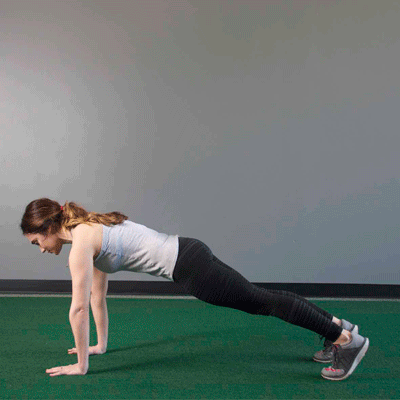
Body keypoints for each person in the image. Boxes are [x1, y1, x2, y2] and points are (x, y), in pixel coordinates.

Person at [20, 198, 369, 380]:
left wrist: (81, 365)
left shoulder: (80, 245)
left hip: (188, 267)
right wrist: (99, 345)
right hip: (189, 250)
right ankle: (339, 328)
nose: (41, 249)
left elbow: (78, 308)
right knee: (260, 297)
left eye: (37, 241)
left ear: (49, 228)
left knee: (262, 301)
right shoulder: (86, 230)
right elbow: (96, 297)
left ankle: (345, 341)